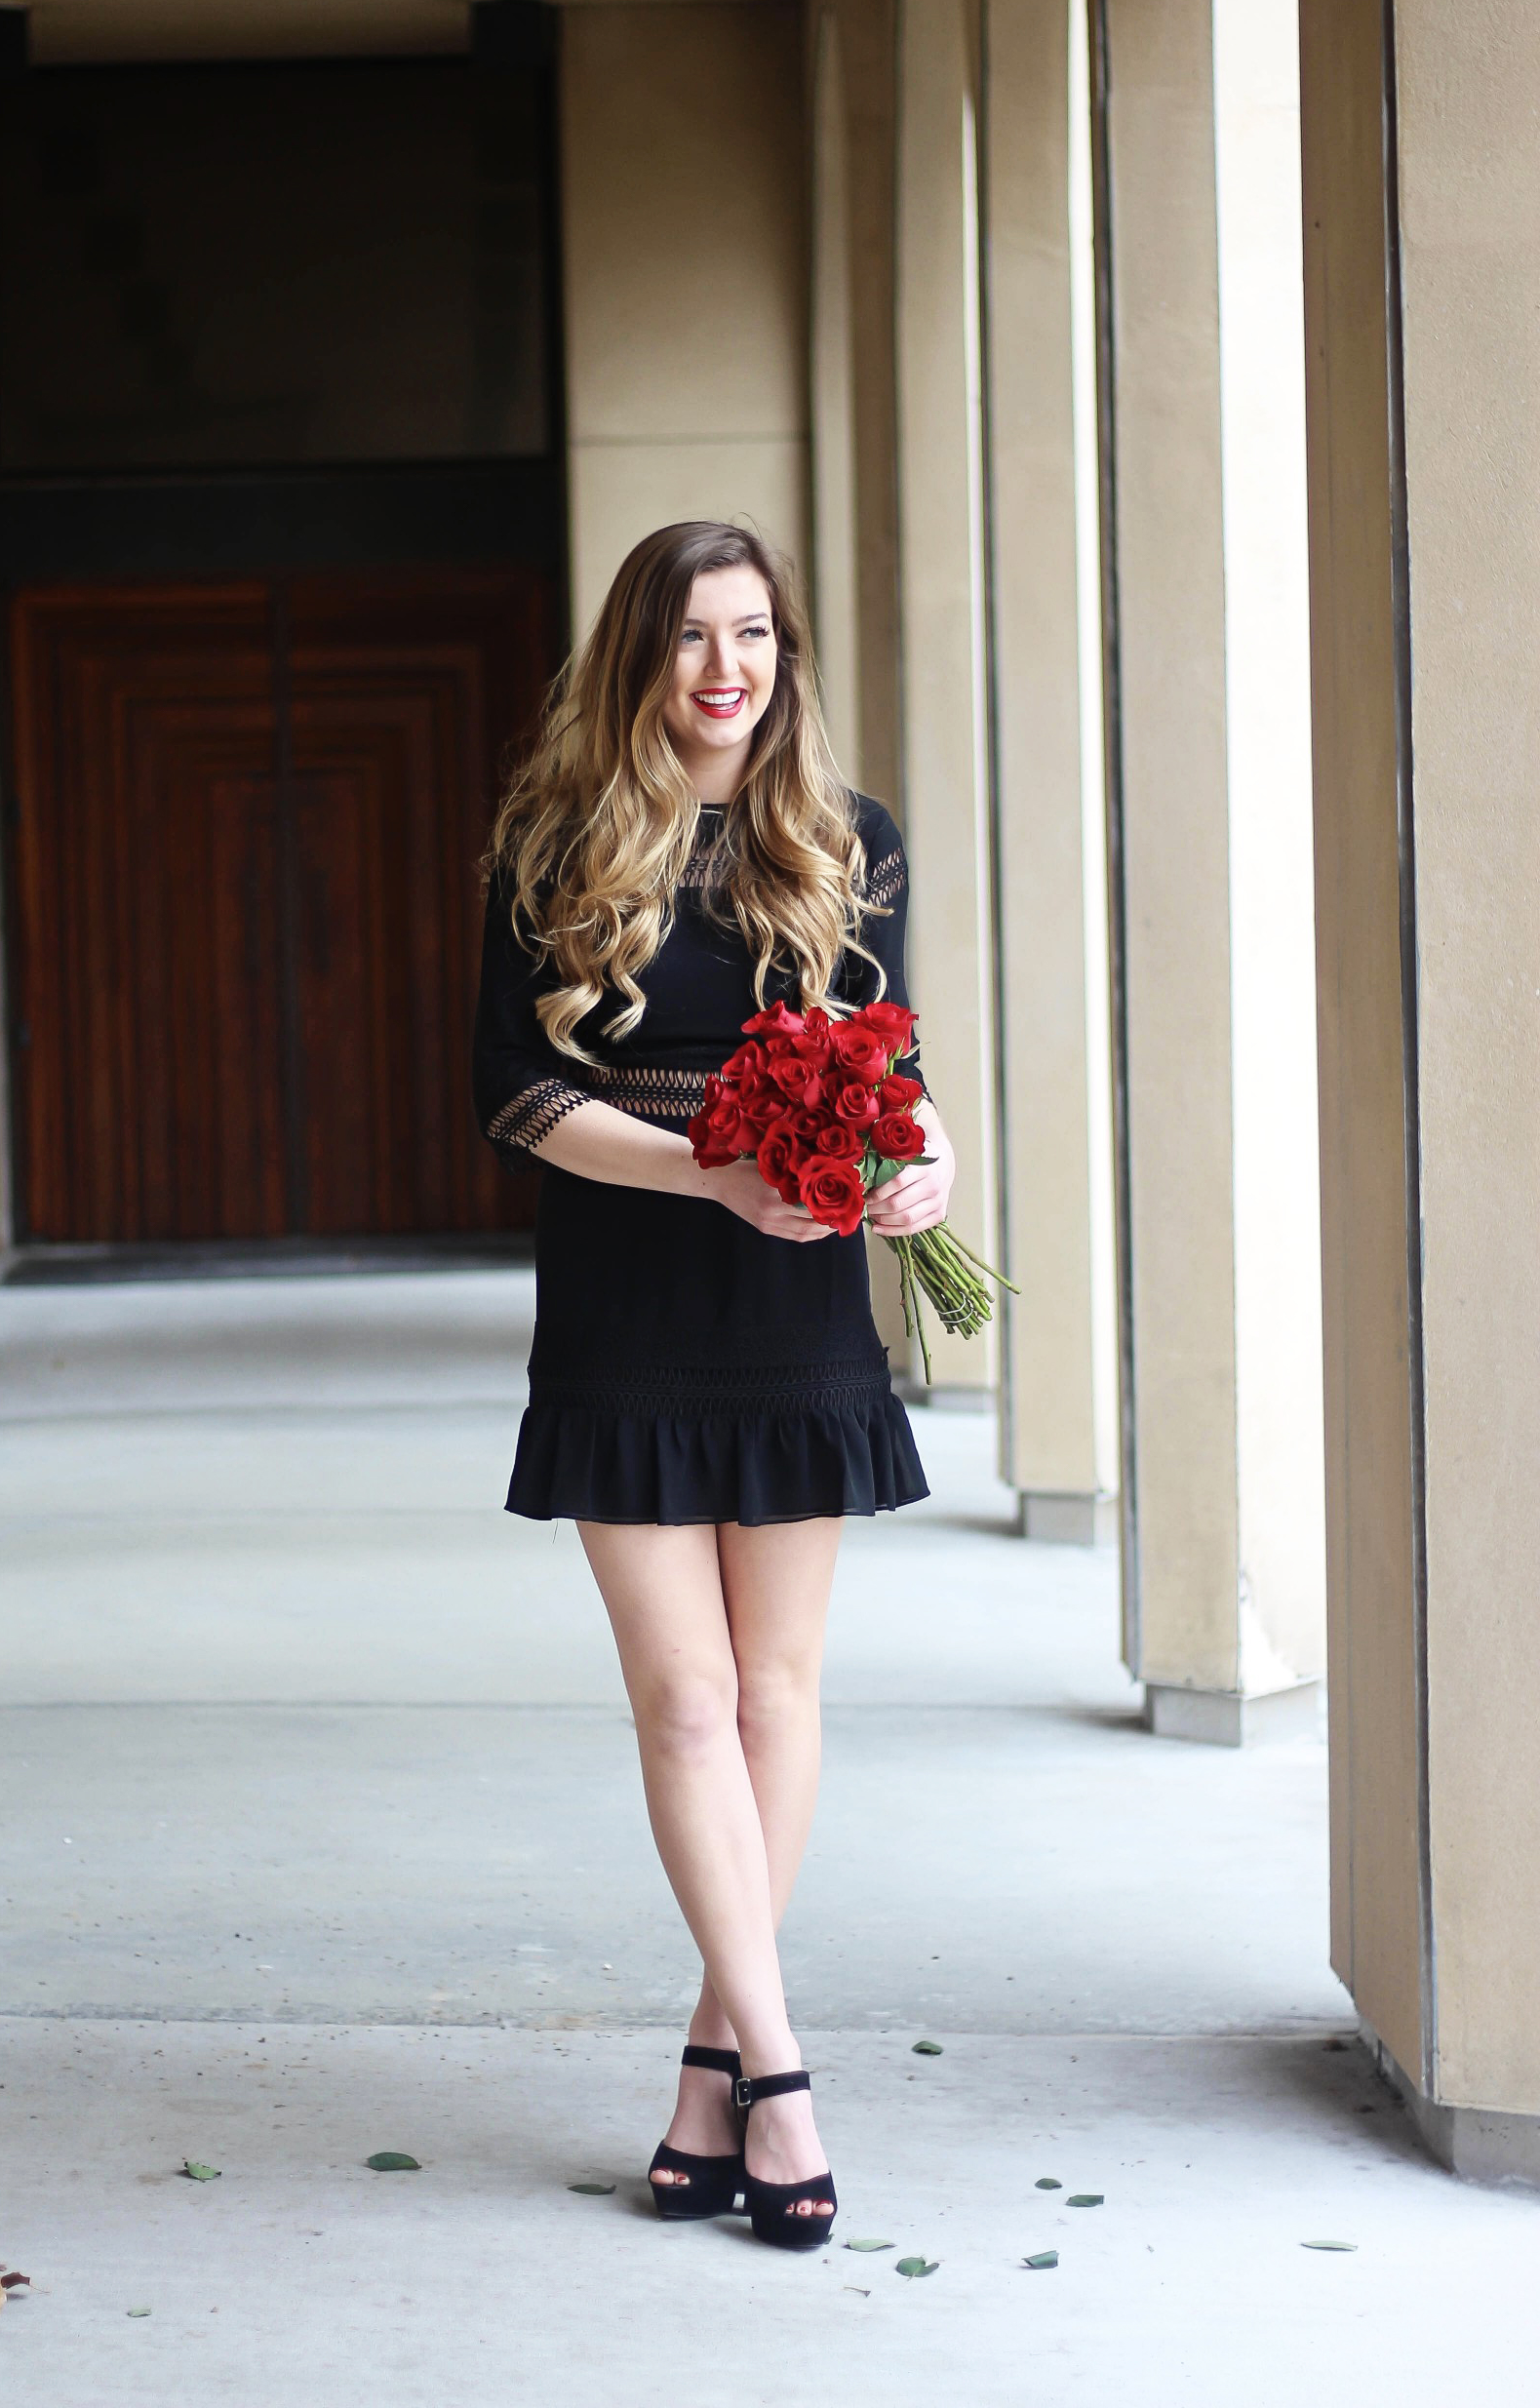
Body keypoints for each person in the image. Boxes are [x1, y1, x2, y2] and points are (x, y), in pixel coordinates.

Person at [471, 520, 954, 2250]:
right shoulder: (553, 844)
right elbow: (514, 1096)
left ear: (784, 653)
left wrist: (933, 1160)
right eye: (690, 638)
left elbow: (893, 1056)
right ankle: (786, 2076)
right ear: (638, 659)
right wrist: (705, 1172)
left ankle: (705, 2085)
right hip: (630, 1302)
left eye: (752, 634)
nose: (726, 668)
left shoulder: (846, 842)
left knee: (775, 1697)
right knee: (684, 1700)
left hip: (798, 1303)